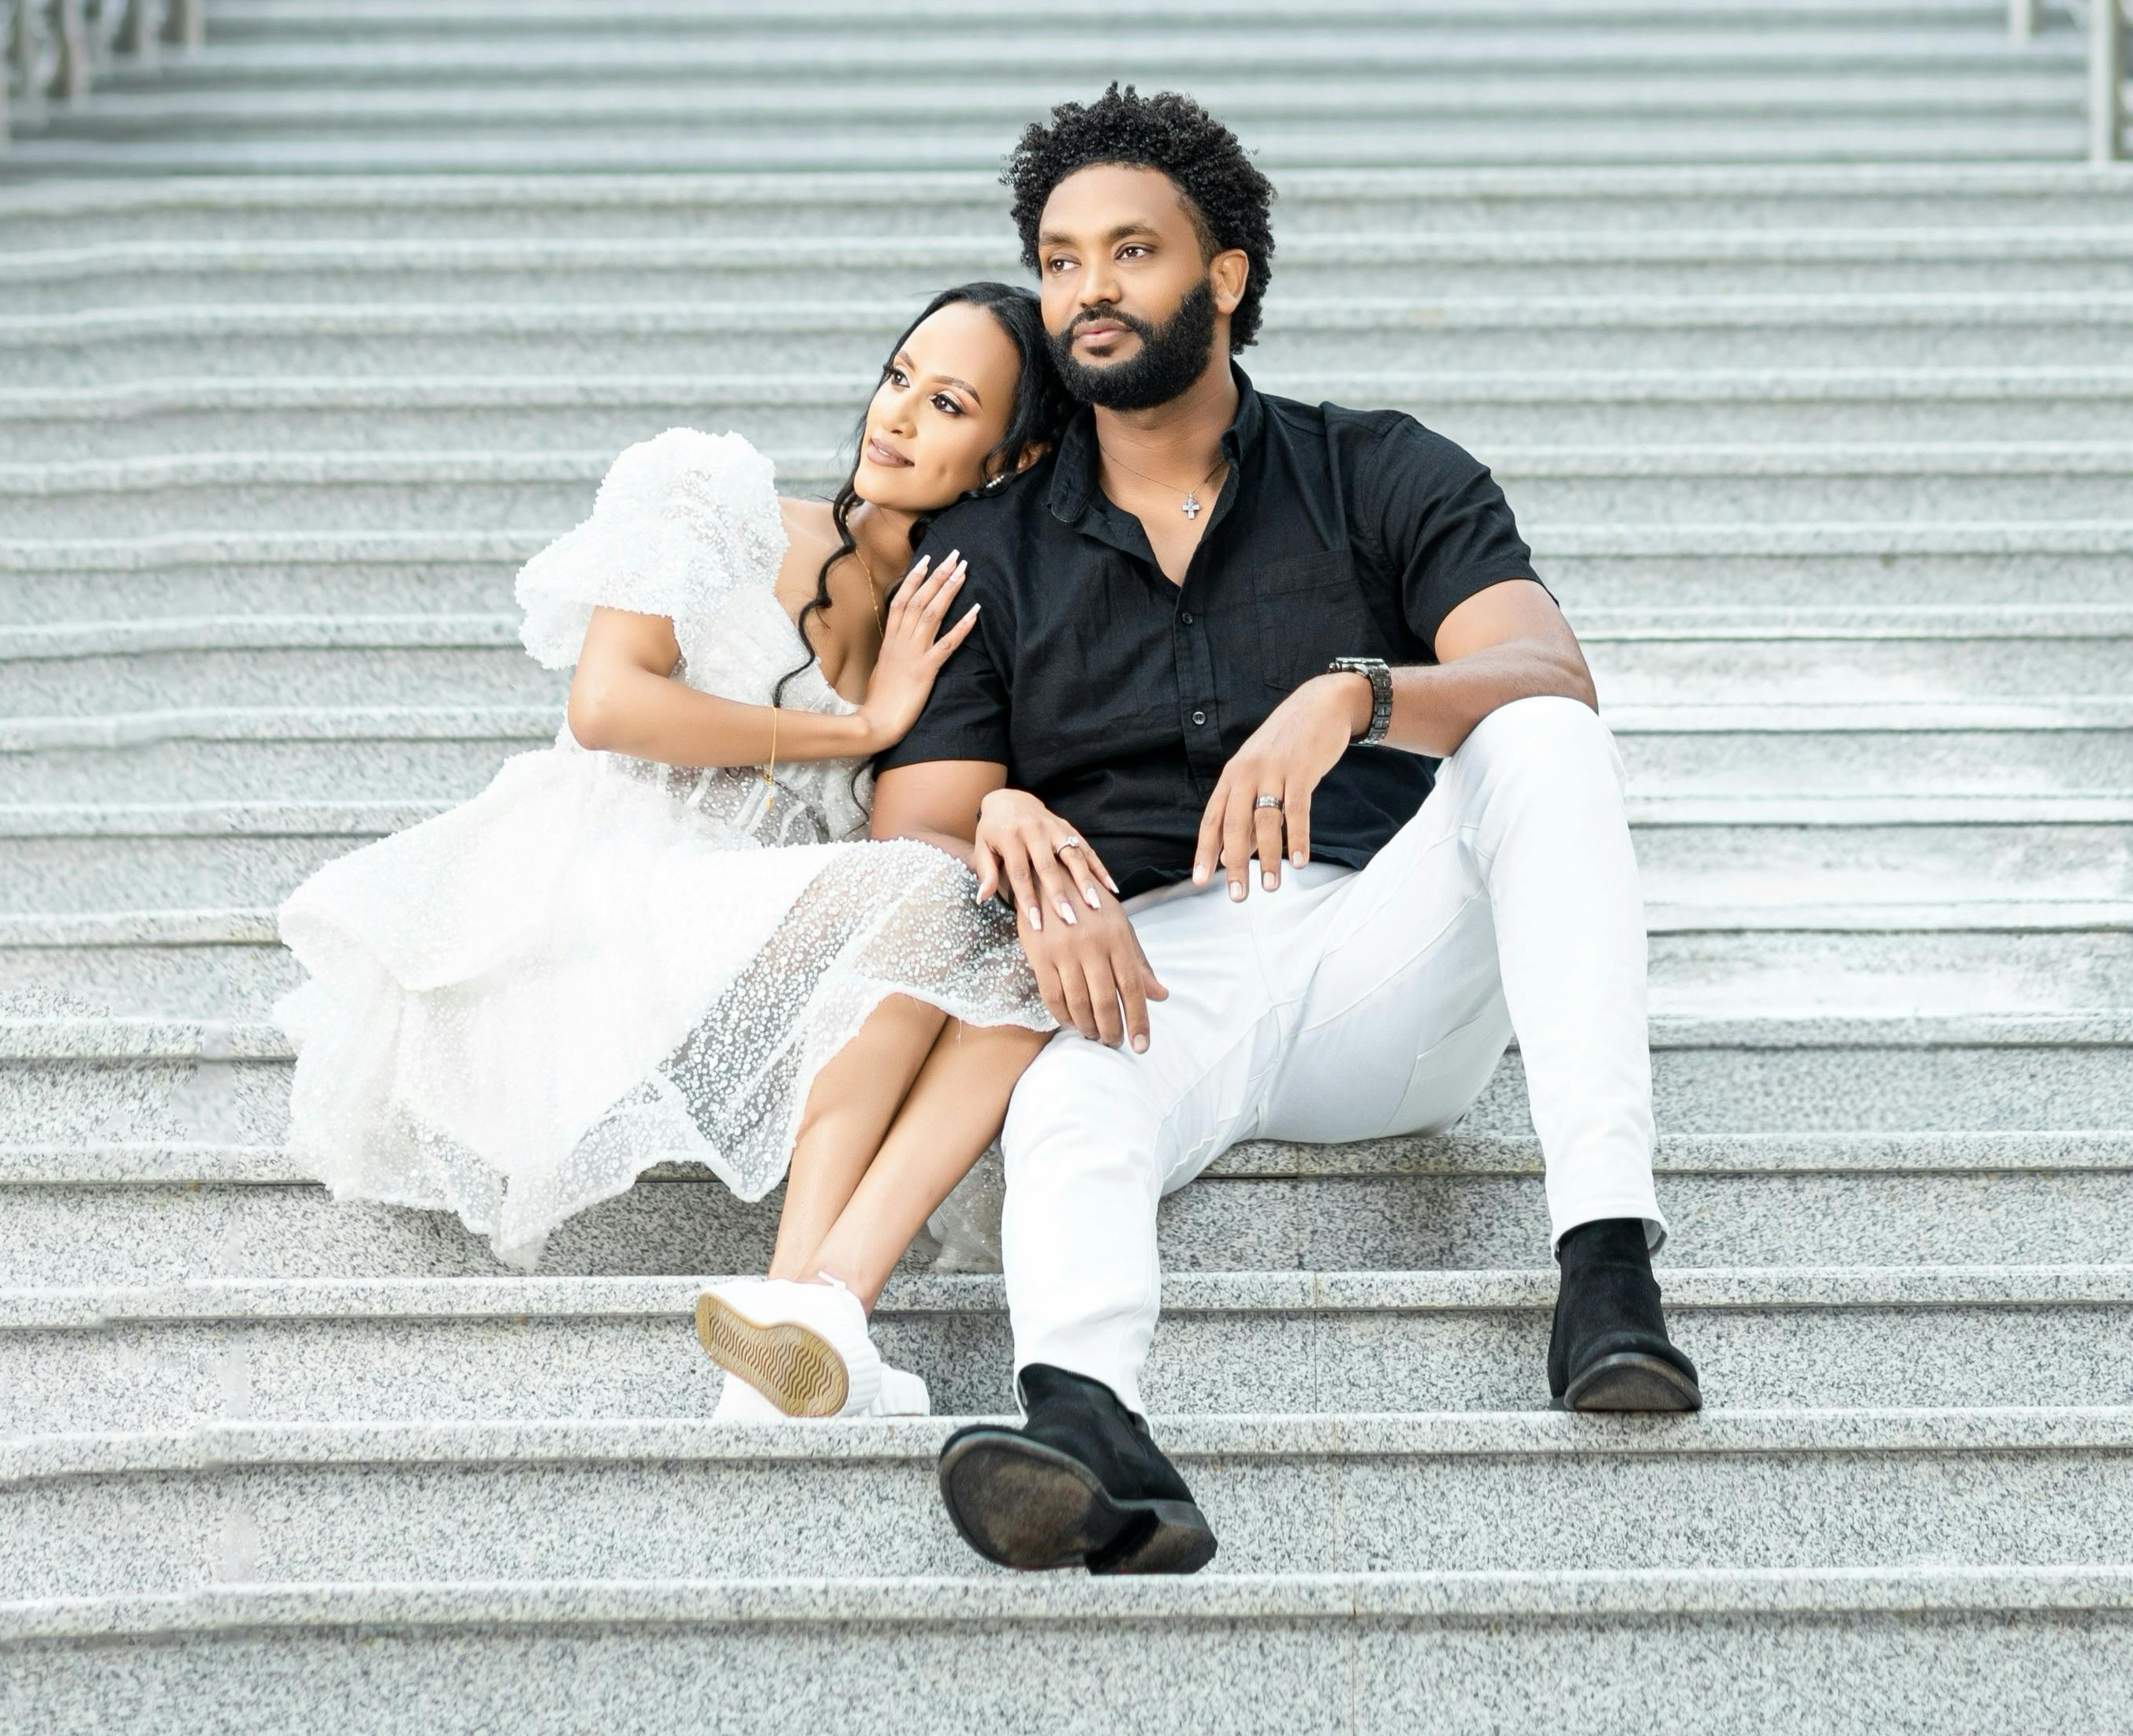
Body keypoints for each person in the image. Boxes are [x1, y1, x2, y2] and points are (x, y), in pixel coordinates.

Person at [871, 85, 1698, 1576]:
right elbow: (915, 824)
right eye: (1059, 261)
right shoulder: (984, 550)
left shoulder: (1379, 471)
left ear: (1225, 274)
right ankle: (1088, 1431)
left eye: (1130, 252)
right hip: (1150, 973)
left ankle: (1607, 1266)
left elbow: (1544, 671)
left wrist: (1359, 693)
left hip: (1387, 949)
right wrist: (1000, 817)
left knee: (1545, 740)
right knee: (1066, 1108)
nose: (1088, 292)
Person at [278, 281, 1076, 1421]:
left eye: (945, 403)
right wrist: (854, 727)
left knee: (982, 928)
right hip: (595, 886)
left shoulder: (950, 627)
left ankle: (800, 1315)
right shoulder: (717, 496)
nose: (893, 415)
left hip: (745, 940)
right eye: (897, 377)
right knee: (928, 896)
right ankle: (804, 1302)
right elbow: (608, 705)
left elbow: (922, 842)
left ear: (1009, 458)